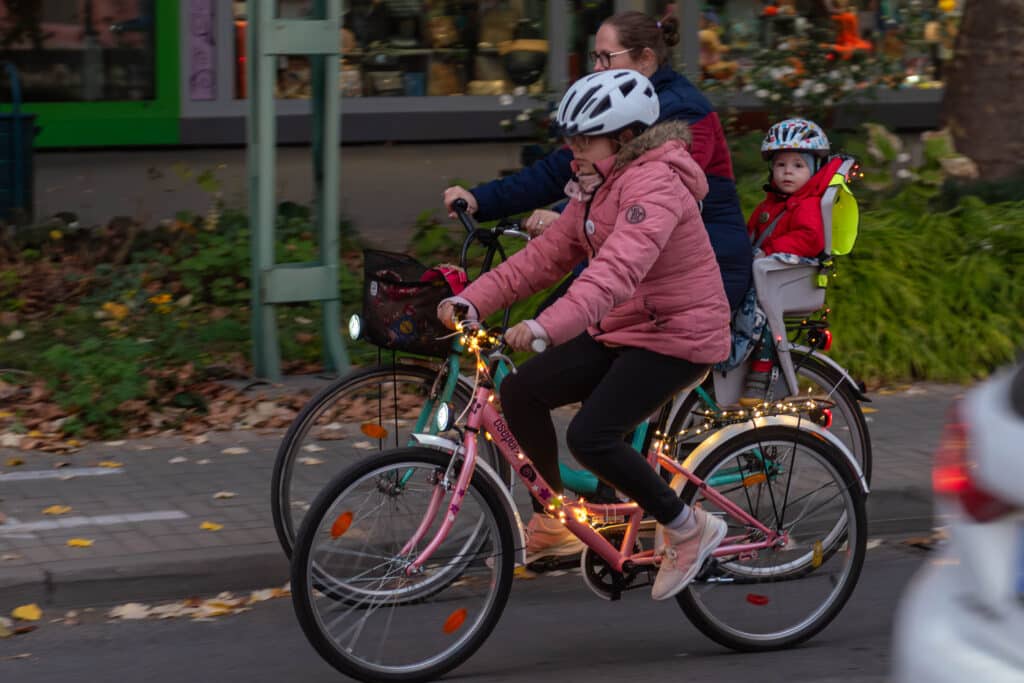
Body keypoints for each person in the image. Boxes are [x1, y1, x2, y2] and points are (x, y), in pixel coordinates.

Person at [444, 10, 752, 564]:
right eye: (572, 139)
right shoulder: (597, 184)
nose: (574, 151)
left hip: (677, 334)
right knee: (521, 392)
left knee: (590, 436)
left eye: (585, 140)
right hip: (627, 326)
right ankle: (554, 518)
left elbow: (615, 272)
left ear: (625, 138)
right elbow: (542, 260)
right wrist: (472, 299)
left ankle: (688, 527)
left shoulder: (654, 186)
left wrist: (544, 326)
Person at [442, 11, 751, 311]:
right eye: (595, 57)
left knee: (565, 330)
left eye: (607, 57)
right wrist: (481, 200)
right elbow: (561, 168)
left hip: (702, 271)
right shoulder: (618, 107)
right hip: (635, 262)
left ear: (645, 58)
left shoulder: (684, 111)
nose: (597, 68)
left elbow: (658, 195)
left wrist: (563, 216)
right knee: (550, 322)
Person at [740, 118, 833, 406]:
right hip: (767, 275)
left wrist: (768, 250)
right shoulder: (769, 205)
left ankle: (760, 373)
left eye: (798, 165)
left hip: (788, 279)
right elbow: (750, 234)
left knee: (765, 317)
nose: (787, 172)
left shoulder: (807, 205)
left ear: (814, 170)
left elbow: (810, 238)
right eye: (781, 164)